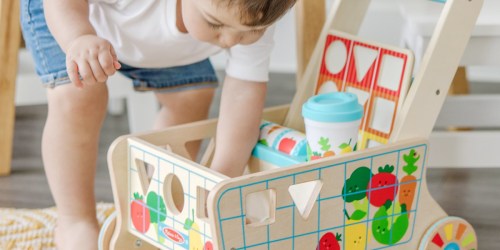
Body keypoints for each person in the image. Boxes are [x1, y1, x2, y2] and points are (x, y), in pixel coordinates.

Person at [20, 0, 296, 248]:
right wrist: (78, 37)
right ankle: (74, 220)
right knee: (80, 97)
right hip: (71, 18)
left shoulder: (257, 10)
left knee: (192, 96)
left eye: (252, 32)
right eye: (215, 23)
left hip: (156, 43)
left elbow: (244, 96)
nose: (229, 40)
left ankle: (156, 204)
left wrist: (219, 180)